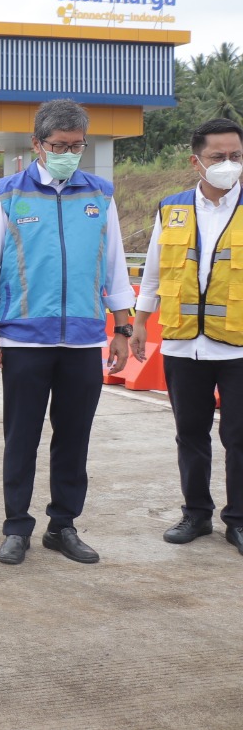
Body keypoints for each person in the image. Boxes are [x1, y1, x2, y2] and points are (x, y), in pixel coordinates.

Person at [0, 99, 134, 566]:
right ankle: (16, 527)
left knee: (74, 437)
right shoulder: (7, 195)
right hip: (24, 340)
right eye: (59, 145)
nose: (68, 153)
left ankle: (63, 525)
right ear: (38, 144)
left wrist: (121, 329)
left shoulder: (100, 195)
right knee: (21, 437)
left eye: (76, 146)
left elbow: (114, 267)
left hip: (83, 340)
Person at [132, 117, 243, 556]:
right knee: (190, 433)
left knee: (239, 436)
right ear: (195, 161)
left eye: (236, 156)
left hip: (237, 345)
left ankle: (238, 520)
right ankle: (196, 513)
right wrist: (140, 322)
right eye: (219, 157)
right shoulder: (171, 208)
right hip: (183, 344)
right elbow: (154, 272)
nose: (229, 164)